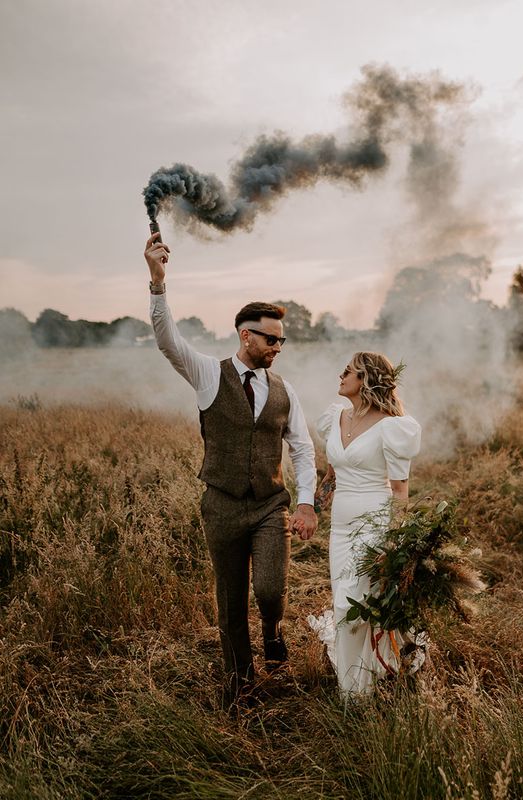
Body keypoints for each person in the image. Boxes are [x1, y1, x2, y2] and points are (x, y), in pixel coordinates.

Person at [144, 233, 317, 704]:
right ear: (246, 335)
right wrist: (158, 283)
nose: (278, 346)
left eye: (282, 339)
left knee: (268, 588)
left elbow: (301, 447)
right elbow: (167, 341)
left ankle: (274, 627)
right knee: (230, 601)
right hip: (221, 505)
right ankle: (242, 683)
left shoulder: (284, 390)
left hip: (268, 506)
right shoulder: (207, 374)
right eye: (271, 338)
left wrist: (305, 503)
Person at [311, 351, 421, 696]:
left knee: (359, 602)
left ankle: (369, 684)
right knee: (341, 602)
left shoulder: (392, 426)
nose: (341, 376)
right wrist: (311, 509)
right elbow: (331, 474)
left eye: (349, 372)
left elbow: (400, 490)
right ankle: (351, 688)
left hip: (373, 524)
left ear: (366, 380)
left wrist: (394, 539)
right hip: (339, 530)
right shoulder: (336, 418)